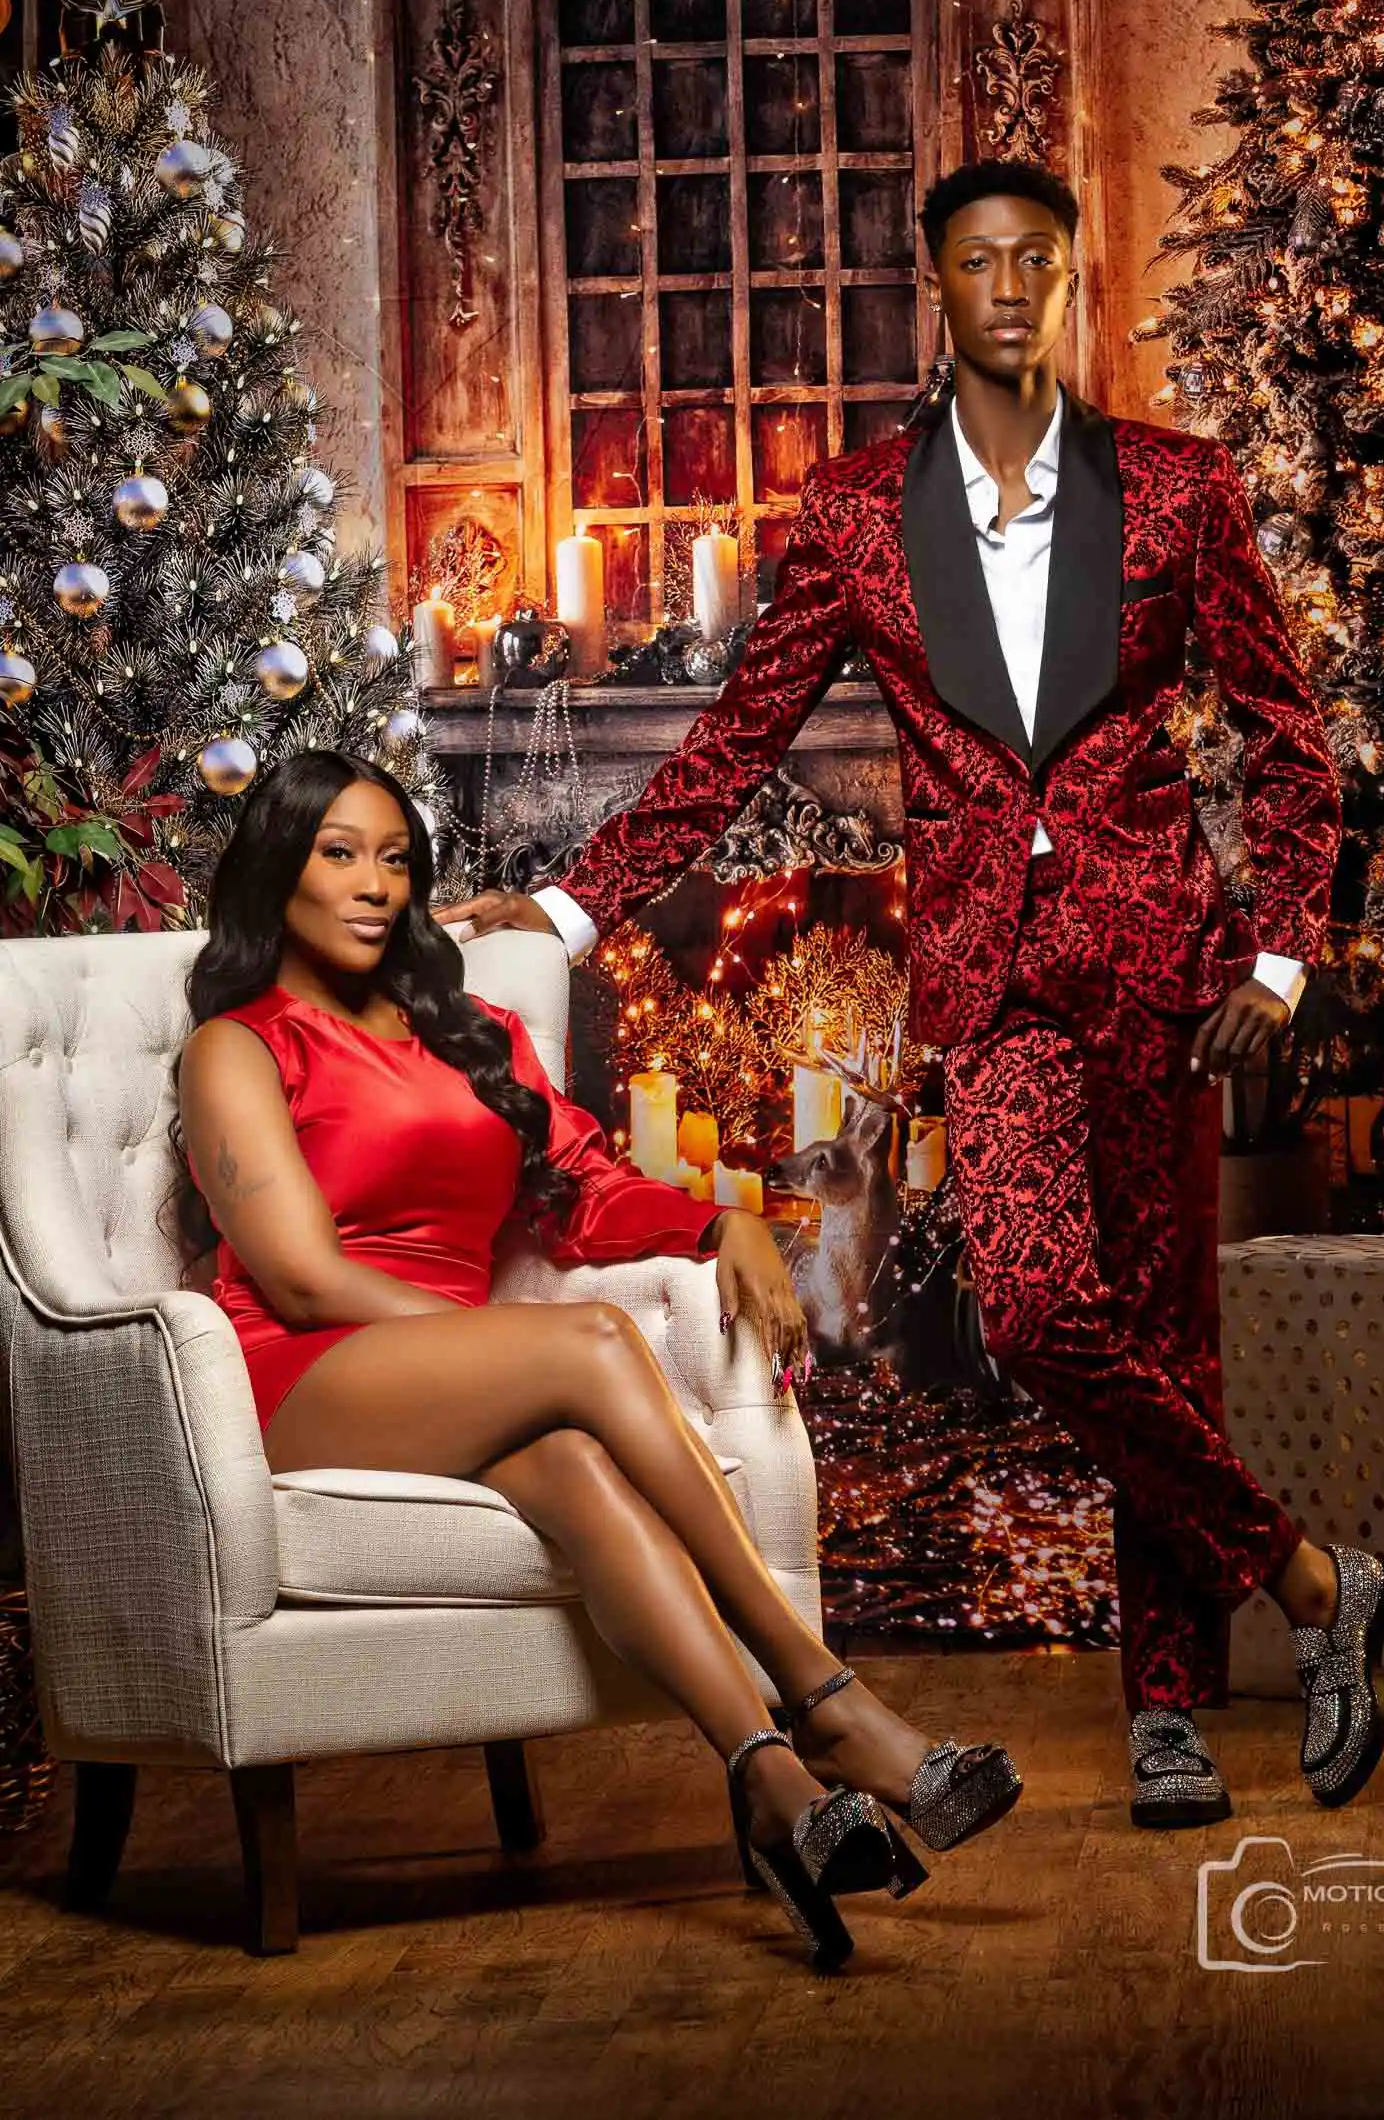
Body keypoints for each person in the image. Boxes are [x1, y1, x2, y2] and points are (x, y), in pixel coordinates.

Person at [440, 158, 1384, 1829]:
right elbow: (734, 740)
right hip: (992, 981)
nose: (1011, 284)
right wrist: (561, 898)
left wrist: (1274, 951)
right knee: (1041, 1313)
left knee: (1168, 1338)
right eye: (979, 262)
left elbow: (1286, 738)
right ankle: (1317, 1584)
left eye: (1039, 256)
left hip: (1162, 972)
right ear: (939, 292)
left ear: (1068, 280)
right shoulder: (851, 514)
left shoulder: (1177, 489)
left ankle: (1166, 1704)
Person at [173, 749, 1021, 1972]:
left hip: (460, 1378)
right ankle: (824, 1693)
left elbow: (586, 1187)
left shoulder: (472, 1037)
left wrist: (722, 1220)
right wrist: (513, 1346)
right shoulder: (240, 1048)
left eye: (395, 859)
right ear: (277, 871)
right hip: (298, 1375)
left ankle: (772, 1778)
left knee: (576, 1462)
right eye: (338, 853)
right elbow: (301, 1275)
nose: (373, 885)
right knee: (589, 1343)